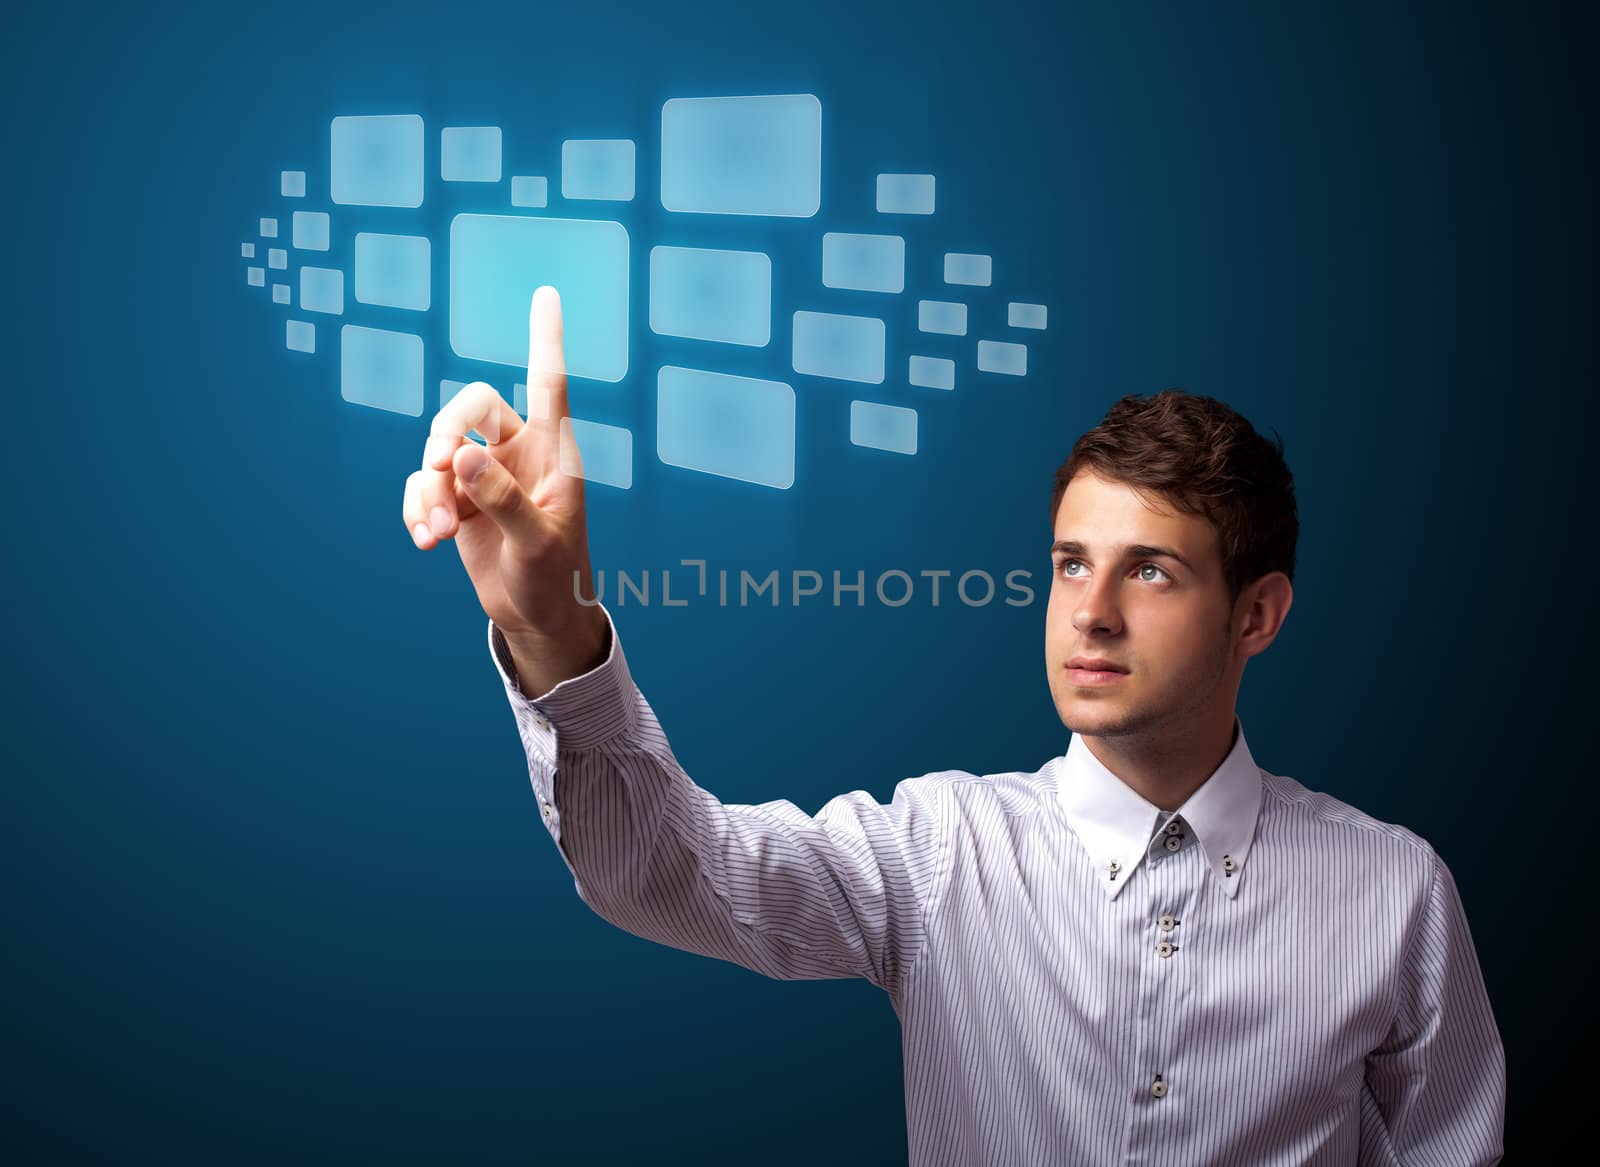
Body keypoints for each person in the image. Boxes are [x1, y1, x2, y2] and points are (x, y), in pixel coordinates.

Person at [402, 287, 1506, 1165]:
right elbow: (664, 872)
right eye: (1071, 563)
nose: (1091, 611)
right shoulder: (937, 854)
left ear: (1255, 614)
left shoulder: (1394, 895)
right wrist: (553, 630)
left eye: (1151, 573)